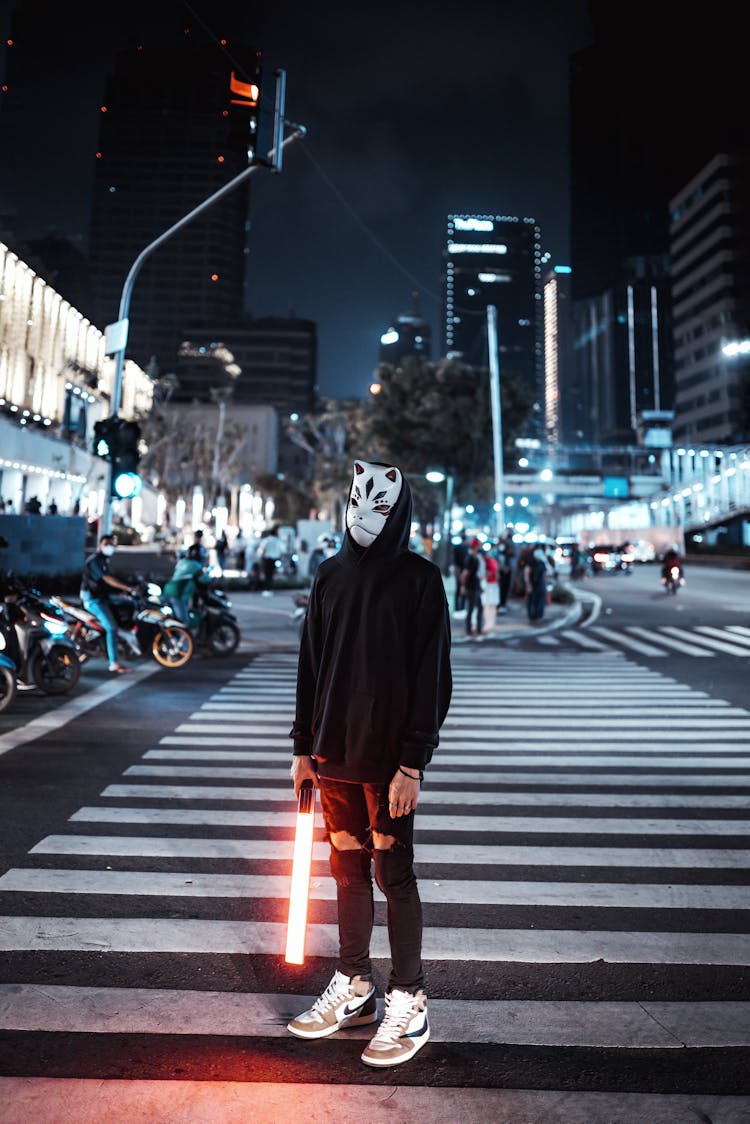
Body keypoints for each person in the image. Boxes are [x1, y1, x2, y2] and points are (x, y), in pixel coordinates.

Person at [288, 459, 452, 1068]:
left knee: (393, 873)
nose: (365, 514)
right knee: (347, 869)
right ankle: (354, 985)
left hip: (389, 764)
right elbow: (309, 667)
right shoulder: (329, 576)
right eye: (359, 499)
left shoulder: (420, 580)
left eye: (379, 504)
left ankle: (410, 1001)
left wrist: (413, 763)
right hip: (333, 756)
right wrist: (302, 748)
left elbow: (432, 677)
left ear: (399, 509)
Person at [80, 533, 136, 673]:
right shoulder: (94, 561)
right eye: (106, 544)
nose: (109, 547)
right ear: (99, 545)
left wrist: (124, 591)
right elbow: (106, 578)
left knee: (128, 604)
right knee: (111, 627)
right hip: (93, 599)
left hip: (102, 596)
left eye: (111, 544)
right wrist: (126, 587)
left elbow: (110, 580)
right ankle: (114, 663)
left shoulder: (104, 560)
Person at [163, 544, 208, 624]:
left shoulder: (181, 562)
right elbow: (205, 580)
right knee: (183, 622)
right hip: (177, 594)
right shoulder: (195, 565)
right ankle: (180, 636)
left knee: (178, 617)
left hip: (169, 590)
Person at [459, 536, 484, 638]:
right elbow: (465, 574)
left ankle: (477, 629)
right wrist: (463, 586)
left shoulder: (475, 557)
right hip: (471, 586)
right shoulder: (470, 558)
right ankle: (469, 630)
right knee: (471, 609)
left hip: (476, 585)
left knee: (478, 608)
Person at [524, 543, 550, 624]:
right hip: (532, 584)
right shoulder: (530, 562)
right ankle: (532, 617)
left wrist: (546, 585)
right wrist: (528, 585)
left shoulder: (542, 562)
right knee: (532, 601)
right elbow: (526, 574)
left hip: (540, 584)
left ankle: (539, 616)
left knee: (540, 600)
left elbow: (545, 574)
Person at [257, 525, 282, 592]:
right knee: (271, 574)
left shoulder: (266, 540)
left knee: (267, 574)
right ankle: (270, 588)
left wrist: (261, 558)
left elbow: (263, 550)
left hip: (267, 559)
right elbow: (280, 550)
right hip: (274, 559)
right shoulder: (278, 541)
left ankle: (266, 588)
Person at [482, 545, 499, 633]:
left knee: (493, 604)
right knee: (487, 604)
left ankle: (492, 623)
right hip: (488, 584)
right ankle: (487, 624)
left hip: (494, 584)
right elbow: (484, 572)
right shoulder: (485, 560)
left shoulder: (494, 561)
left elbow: (496, 573)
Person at [451, 530, 469, 615]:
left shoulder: (458, 547)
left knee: (460, 589)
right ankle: (460, 608)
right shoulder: (466, 547)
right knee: (462, 589)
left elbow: (454, 560)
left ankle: (459, 608)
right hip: (464, 570)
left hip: (461, 570)